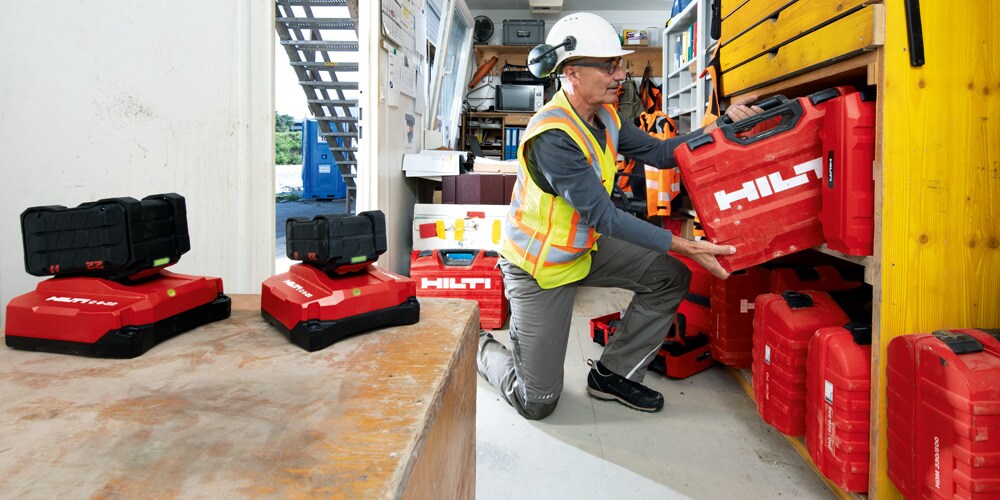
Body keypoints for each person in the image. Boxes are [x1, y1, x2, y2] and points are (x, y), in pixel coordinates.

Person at [477, 12, 763, 420]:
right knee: (536, 402)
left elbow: (661, 153)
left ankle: (612, 375)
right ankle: (479, 346)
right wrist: (687, 246)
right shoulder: (553, 136)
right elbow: (605, 217)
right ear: (572, 73)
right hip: (538, 268)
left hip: (581, 249)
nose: (621, 75)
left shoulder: (607, 116)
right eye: (609, 66)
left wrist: (721, 126)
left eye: (620, 64)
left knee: (669, 276)